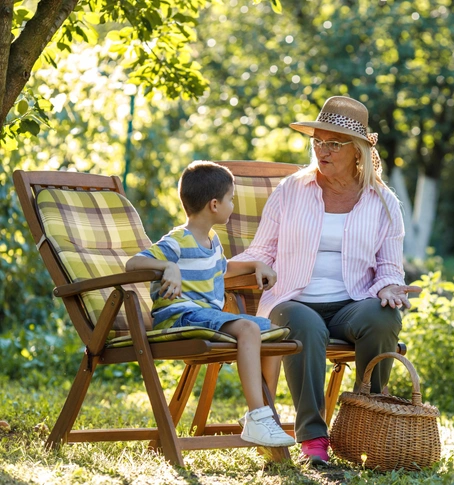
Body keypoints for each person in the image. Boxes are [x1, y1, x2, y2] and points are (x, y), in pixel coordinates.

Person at [232, 96, 421, 464]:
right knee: (306, 326)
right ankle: (313, 439)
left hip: (352, 304)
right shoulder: (291, 190)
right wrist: (214, 266)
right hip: (292, 301)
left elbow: (388, 267)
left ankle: (368, 423)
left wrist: (388, 287)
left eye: (334, 143)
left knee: (383, 318)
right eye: (318, 141)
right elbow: (262, 251)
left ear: (358, 151)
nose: (323, 149)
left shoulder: (383, 201)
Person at [125, 161, 295, 448]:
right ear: (214, 205)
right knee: (248, 328)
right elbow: (133, 263)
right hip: (179, 316)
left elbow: (221, 269)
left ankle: (265, 413)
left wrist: (255, 263)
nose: (233, 204)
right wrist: (168, 266)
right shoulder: (178, 240)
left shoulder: (212, 241)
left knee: (273, 330)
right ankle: (258, 415)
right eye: (231, 199)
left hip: (204, 316)